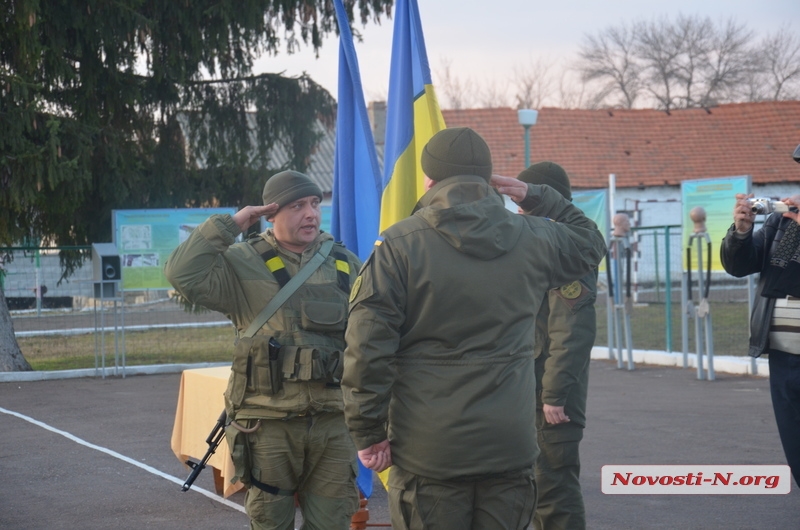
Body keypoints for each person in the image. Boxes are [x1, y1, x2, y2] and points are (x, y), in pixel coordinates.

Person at [341, 127, 606, 530]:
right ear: (490, 179)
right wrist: (536, 195)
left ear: (429, 180)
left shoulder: (399, 246)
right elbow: (590, 243)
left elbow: (366, 351)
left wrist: (368, 431)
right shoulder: (535, 237)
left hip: (430, 451)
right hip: (510, 446)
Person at [164, 170, 362, 529]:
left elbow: (372, 337)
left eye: (315, 204)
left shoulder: (346, 264)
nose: (311, 214)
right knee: (271, 522)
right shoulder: (242, 262)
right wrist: (233, 223)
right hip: (267, 425)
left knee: (334, 522)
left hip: (333, 423)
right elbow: (182, 273)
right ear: (271, 214)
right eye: (297, 205)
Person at [517, 162, 597, 530]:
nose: (518, 209)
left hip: (551, 399)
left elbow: (572, 330)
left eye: (525, 200)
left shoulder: (566, 250)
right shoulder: (538, 244)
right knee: (535, 489)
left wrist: (554, 394)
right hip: (532, 392)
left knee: (554, 493)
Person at [720, 146, 800, 487]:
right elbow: (742, 266)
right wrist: (740, 230)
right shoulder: (782, 221)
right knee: (794, 439)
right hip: (783, 352)